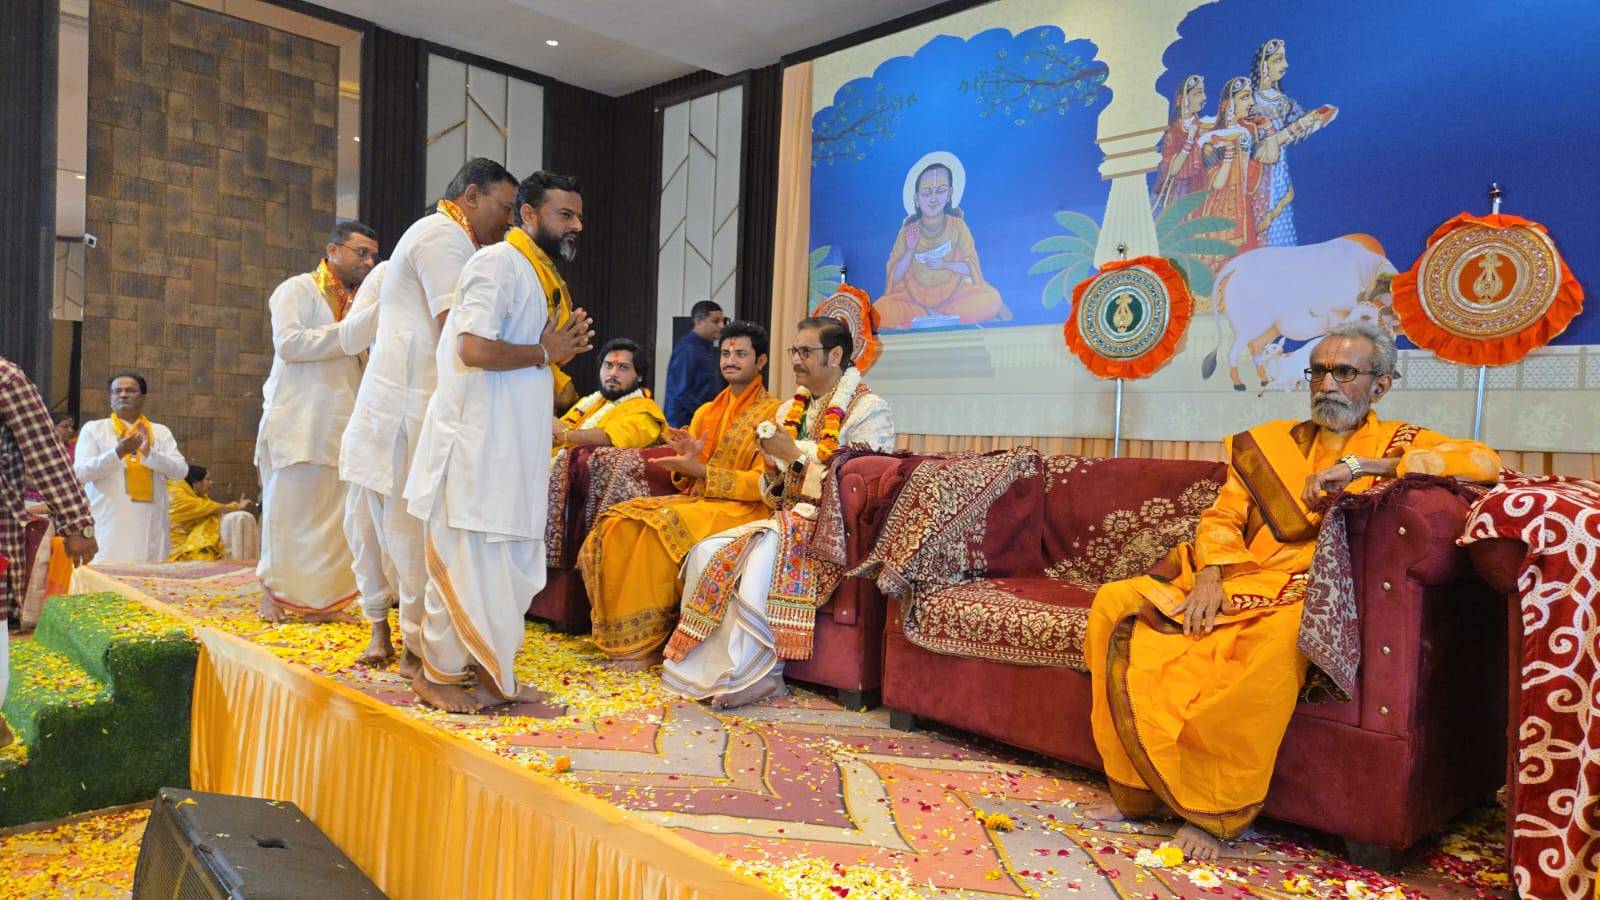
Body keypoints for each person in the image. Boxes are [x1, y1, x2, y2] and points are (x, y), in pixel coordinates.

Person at [1083, 320, 1500, 861]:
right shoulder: (1267, 444)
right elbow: (1222, 518)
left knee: (1274, 643)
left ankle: (1212, 809)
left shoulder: (1401, 443)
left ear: (1379, 385)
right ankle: (1137, 790)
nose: (1326, 384)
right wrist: (1212, 574)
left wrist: (1361, 467)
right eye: (1318, 371)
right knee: (1115, 602)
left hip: (1310, 588)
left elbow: (1484, 463)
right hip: (1236, 573)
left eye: (1344, 372)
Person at [402, 170, 594, 712]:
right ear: (528, 215)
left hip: (513, 452)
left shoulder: (536, 274)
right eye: (564, 214)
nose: (576, 225)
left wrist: (549, 354)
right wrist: (545, 352)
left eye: (578, 216)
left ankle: (494, 677)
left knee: (506, 568)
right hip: (476, 451)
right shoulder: (496, 264)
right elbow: (471, 349)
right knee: (469, 566)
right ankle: (435, 676)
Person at [660, 317, 894, 708]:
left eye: (806, 351)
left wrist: (795, 457)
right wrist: (772, 467)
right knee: (705, 551)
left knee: (761, 557)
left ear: (835, 355)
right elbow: (772, 490)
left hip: (832, 530)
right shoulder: (789, 410)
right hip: (784, 517)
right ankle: (706, 667)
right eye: (794, 351)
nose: (796, 360)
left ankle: (760, 675)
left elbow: (867, 487)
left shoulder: (869, 410)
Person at [340, 158, 517, 667]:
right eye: (505, 207)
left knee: (380, 524)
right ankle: (414, 647)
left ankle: (399, 637)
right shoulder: (444, 237)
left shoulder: (447, 238)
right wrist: (534, 353)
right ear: (472, 196)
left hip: (394, 405)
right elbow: (459, 334)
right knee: (400, 529)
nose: (509, 220)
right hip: (406, 408)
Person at [578, 321, 780, 668]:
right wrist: (686, 462)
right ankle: (620, 641)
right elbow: (688, 478)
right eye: (726, 353)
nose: (730, 360)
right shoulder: (706, 412)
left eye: (740, 354)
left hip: (744, 508)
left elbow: (767, 485)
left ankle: (648, 645)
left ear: (760, 361)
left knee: (657, 530)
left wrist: (702, 472)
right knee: (618, 522)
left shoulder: (775, 414)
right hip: (700, 501)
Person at [255, 220, 381, 623]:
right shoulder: (297, 289)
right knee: (288, 512)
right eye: (361, 252)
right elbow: (289, 344)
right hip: (299, 419)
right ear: (332, 250)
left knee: (335, 519)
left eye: (373, 255)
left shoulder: (362, 302)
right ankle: (275, 596)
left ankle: (324, 604)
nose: (369, 261)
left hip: (342, 421)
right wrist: (349, 334)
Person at [0, 357, 98, 748]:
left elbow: (44, 456)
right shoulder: (5, 377)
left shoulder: (5, 379)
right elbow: (45, 455)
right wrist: (78, 524)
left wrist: (76, 522)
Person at [873, 153, 1008, 329]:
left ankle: (932, 318)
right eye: (926, 193)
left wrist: (945, 265)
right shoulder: (907, 233)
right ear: (917, 199)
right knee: (879, 310)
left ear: (950, 194)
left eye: (940, 191)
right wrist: (910, 250)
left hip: (954, 298)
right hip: (913, 300)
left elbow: (971, 267)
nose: (933, 199)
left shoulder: (958, 227)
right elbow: (894, 277)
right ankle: (935, 317)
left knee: (991, 299)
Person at [74, 374, 188, 563]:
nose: (123, 395)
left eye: (130, 390)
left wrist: (149, 453)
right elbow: (80, 474)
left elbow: (181, 471)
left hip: (150, 525)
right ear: (110, 397)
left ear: (143, 397)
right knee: (105, 577)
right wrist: (117, 453)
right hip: (107, 524)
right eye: (117, 391)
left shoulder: (160, 431)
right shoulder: (95, 429)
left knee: (147, 576)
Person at [552, 338, 666, 454]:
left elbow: (613, 438)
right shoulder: (590, 402)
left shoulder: (647, 410)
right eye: (608, 365)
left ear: (640, 376)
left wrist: (567, 434)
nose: (612, 373)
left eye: (623, 367)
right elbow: (557, 433)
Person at [1150, 74, 1211, 218]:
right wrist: (1190, 140)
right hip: (1180, 189)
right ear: (1183, 99)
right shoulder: (1173, 131)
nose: (1204, 98)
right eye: (1197, 94)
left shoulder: (1205, 126)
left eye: (1203, 93)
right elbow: (1173, 169)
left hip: (1201, 184)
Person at [168, 465, 251, 561]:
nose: (212, 482)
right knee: (210, 519)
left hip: (186, 543)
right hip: (175, 550)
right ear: (195, 483)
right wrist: (236, 506)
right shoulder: (178, 496)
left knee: (211, 517)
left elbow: (210, 507)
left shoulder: (194, 495)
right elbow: (211, 507)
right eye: (208, 479)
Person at [663, 301, 725, 428]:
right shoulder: (687, 348)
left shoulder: (705, 347)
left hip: (697, 419)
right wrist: (705, 414)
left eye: (722, 321)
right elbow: (681, 391)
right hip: (683, 423)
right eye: (716, 321)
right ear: (699, 321)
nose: (721, 326)